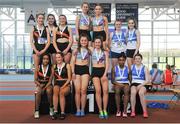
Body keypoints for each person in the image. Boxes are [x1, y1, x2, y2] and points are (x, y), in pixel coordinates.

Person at [71, 34, 90, 117]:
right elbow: (72, 62)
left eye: (85, 40)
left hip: (85, 70)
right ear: (79, 41)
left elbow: (100, 51)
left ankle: (82, 109)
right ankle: (78, 109)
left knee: (83, 90)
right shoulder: (76, 50)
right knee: (77, 90)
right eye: (82, 40)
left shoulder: (90, 50)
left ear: (87, 41)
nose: (83, 42)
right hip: (77, 70)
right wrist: (72, 73)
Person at [90, 36, 109, 119]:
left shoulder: (105, 52)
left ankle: (105, 109)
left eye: (99, 42)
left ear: (101, 43)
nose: (97, 44)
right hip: (95, 72)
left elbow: (107, 64)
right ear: (94, 43)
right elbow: (82, 43)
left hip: (103, 72)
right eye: (96, 42)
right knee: (98, 90)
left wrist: (105, 74)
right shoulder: (91, 50)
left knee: (105, 91)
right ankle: (100, 110)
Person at [30, 13, 50, 81]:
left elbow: (48, 42)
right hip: (36, 50)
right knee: (36, 68)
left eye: (42, 18)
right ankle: (37, 84)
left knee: (45, 67)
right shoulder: (33, 28)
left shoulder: (46, 28)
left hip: (44, 50)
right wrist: (35, 50)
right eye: (39, 18)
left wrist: (43, 50)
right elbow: (31, 41)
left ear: (44, 19)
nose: (41, 19)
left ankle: (45, 82)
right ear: (37, 19)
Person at [52, 52, 71, 120]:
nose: (58, 59)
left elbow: (69, 78)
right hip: (57, 83)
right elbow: (54, 78)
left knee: (62, 92)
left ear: (62, 57)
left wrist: (64, 86)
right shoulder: (54, 66)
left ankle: (63, 112)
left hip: (66, 83)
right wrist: (55, 85)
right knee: (55, 90)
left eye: (59, 57)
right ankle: (55, 111)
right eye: (56, 57)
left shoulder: (67, 65)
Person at [34, 53, 53, 119]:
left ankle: (51, 107)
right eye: (44, 59)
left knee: (49, 90)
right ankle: (36, 110)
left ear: (49, 60)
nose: (45, 60)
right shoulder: (38, 67)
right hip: (40, 84)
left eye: (47, 59)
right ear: (41, 60)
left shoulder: (51, 68)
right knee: (38, 91)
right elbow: (35, 80)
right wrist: (40, 85)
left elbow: (50, 81)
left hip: (48, 84)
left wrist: (44, 88)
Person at [130, 53, 149, 118]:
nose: (137, 60)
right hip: (134, 83)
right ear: (134, 60)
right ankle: (133, 111)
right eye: (136, 59)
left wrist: (140, 85)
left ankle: (145, 111)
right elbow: (129, 77)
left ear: (141, 59)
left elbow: (147, 80)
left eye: (139, 59)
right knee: (133, 92)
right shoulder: (132, 67)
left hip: (142, 84)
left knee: (141, 93)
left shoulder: (145, 68)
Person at [111, 53, 130, 117]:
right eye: (120, 60)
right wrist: (119, 84)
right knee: (117, 91)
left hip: (125, 83)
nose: (121, 61)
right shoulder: (114, 68)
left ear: (125, 60)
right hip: (117, 83)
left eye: (123, 60)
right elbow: (112, 80)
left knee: (127, 91)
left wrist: (128, 85)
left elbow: (130, 79)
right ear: (118, 60)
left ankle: (124, 111)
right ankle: (118, 110)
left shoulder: (128, 68)